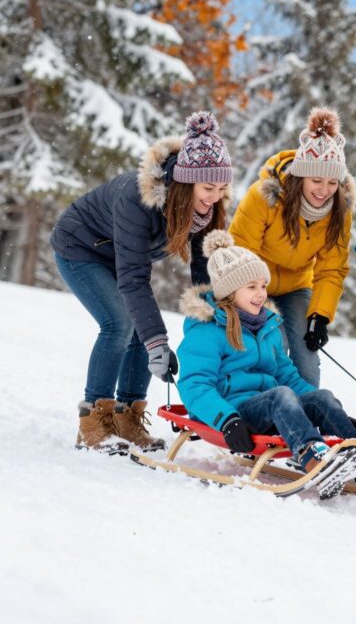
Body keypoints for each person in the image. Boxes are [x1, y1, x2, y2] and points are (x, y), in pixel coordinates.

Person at [51, 111, 232, 452]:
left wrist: (215, 318)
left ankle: (127, 417)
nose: (215, 195)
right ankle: (94, 422)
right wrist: (157, 343)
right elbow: (134, 279)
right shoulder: (138, 199)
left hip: (122, 258)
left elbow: (204, 271)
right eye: (208, 187)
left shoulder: (206, 210)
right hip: (81, 249)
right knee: (120, 323)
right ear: (184, 182)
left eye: (221, 188)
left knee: (143, 327)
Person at [175, 230, 356, 498]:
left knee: (321, 397)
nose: (261, 294)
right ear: (230, 292)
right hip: (233, 414)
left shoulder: (267, 326)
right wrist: (228, 420)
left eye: (263, 285)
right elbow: (194, 385)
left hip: (268, 408)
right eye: (251, 287)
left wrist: (332, 416)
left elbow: (287, 375)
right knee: (280, 396)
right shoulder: (206, 330)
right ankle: (315, 459)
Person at [230, 107, 355, 387]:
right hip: (254, 284)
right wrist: (250, 299)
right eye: (317, 180)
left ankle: (307, 413)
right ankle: (267, 407)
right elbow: (240, 252)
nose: (324, 190)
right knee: (275, 349)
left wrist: (319, 316)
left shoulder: (339, 212)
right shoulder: (265, 196)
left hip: (296, 286)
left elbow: (332, 268)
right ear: (300, 177)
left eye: (332, 182)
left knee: (307, 360)